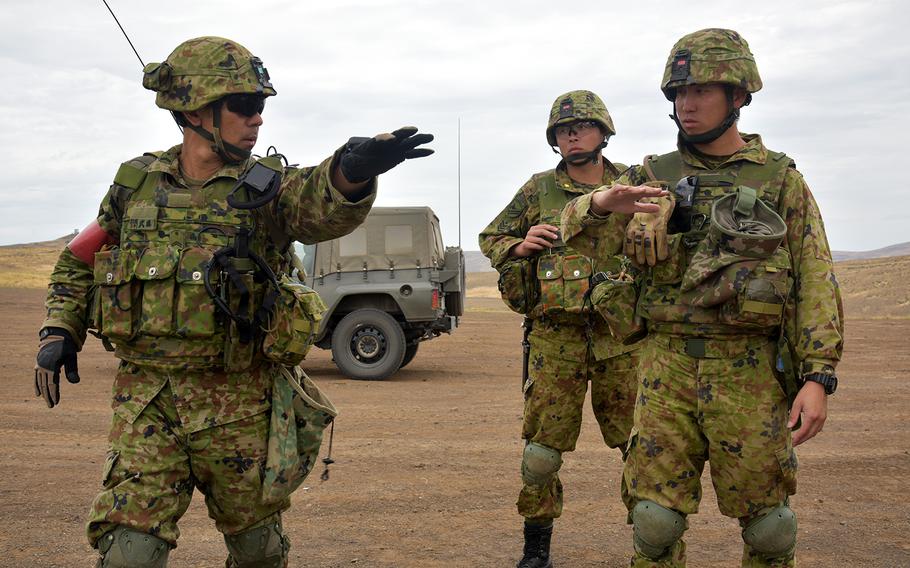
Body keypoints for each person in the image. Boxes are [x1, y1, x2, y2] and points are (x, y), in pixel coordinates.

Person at [33, 36, 433, 568]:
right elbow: (79, 260)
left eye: (262, 107)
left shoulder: (264, 186)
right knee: (130, 551)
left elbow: (317, 205)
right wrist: (59, 330)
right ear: (195, 109)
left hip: (240, 405)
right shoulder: (136, 184)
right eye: (244, 105)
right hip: (148, 404)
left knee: (258, 552)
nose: (258, 120)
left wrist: (353, 172)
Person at [559, 29, 844, 567]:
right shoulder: (650, 178)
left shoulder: (780, 179)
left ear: (739, 95)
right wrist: (596, 204)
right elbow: (577, 245)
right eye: (677, 94)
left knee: (769, 529)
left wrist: (818, 375)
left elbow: (814, 277)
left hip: (750, 372)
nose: (686, 105)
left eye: (701, 92)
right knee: (654, 523)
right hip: (664, 367)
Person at [479, 90, 640, 568]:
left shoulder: (634, 184)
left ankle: (651, 545)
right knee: (542, 455)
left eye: (582, 126)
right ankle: (537, 548)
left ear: (603, 132)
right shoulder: (537, 191)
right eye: (563, 129)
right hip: (556, 340)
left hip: (622, 341)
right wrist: (520, 244)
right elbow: (491, 238)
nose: (572, 134)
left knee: (640, 447)